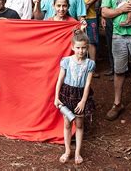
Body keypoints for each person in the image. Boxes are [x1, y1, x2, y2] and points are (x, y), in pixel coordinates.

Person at [54, 30, 95, 165]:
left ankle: (77, 151)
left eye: (83, 48)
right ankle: (67, 150)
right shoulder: (66, 61)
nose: (81, 51)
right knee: (67, 123)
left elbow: (88, 84)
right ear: (72, 47)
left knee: (79, 124)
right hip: (67, 94)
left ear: (87, 47)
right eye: (78, 48)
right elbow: (60, 80)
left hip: (80, 95)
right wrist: (56, 97)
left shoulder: (90, 64)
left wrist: (83, 101)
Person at [67, 0, 101, 75]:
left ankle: (92, 68)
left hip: (90, 15)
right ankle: (76, 66)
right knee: (76, 41)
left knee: (91, 41)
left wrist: (86, 5)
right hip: (74, 17)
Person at [100, 0, 116, 77]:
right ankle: (113, 68)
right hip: (109, 15)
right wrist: (103, 16)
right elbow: (103, 1)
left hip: (121, 15)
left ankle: (124, 68)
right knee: (110, 42)